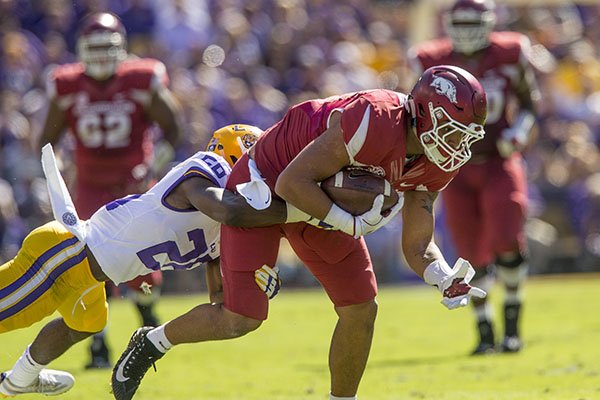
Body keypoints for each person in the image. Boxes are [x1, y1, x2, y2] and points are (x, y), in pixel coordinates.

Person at [111, 65, 488, 400]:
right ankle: (153, 341)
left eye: (465, 137)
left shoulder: (437, 161)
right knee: (241, 317)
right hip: (267, 183)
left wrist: (442, 276)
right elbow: (293, 181)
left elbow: (419, 244)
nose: (456, 146)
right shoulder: (374, 119)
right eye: (451, 132)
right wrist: (349, 222)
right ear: (422, 114)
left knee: (361, 308)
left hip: (320, 201)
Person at [0, 125, 311, 397]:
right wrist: (299, 210)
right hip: (67, 253)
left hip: (92, 276)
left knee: (85, 324)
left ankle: (16, 382)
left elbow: (221, 300)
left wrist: (256, 284)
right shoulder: (207, 169)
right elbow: (227, 209)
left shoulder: (224, 230)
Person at [37, 12, 183, 369]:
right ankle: (98, 347)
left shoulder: (140, 79)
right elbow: (46, 143)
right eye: (95, 48)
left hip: (131, 186)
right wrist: (59, 181)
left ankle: (148, 325)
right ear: (81, 50)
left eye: (108, 47)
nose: (101, 56)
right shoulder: (67, 85)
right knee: (88, 269)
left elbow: (174, 128)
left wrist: (151, 166)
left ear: (121, 48)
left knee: (142, 270)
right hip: (88, 186)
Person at [408, 0, 540, 354]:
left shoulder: (509, 53)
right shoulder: (430, 60)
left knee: (507, 238)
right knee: (469, 252)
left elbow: (529, 104)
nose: (466, 29)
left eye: (472, 22)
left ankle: (512, 327)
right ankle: (484, 330)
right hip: (453, 167)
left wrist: (520, 132)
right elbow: (414, 113)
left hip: (498, 158)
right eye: (459, 22)